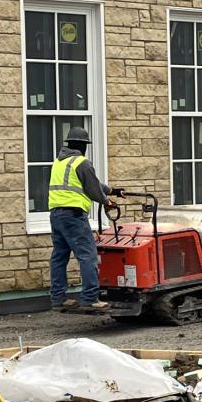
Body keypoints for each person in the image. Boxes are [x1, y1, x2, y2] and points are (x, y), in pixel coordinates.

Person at [47, 125, 123, 311]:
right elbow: (93, 189)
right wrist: (107, 201)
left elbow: (91, 182)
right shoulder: (82, 162)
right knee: (88, 256)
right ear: (83, 145)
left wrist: (113, 191)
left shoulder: (59, 162)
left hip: (56, 215)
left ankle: (58, 298)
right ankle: (90, 298)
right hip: (73, 216)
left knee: (59, 256)